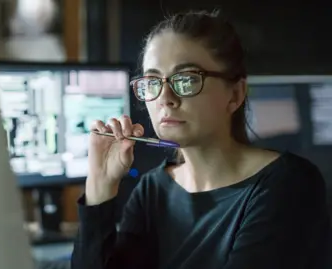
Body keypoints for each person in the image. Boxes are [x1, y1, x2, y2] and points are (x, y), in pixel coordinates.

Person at [71, 10, 330, 269]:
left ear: (235, 94)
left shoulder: (288, 184)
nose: (165, 97)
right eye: (152, 82)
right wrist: (100, 184)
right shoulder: (153, 190)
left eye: (186, 79)